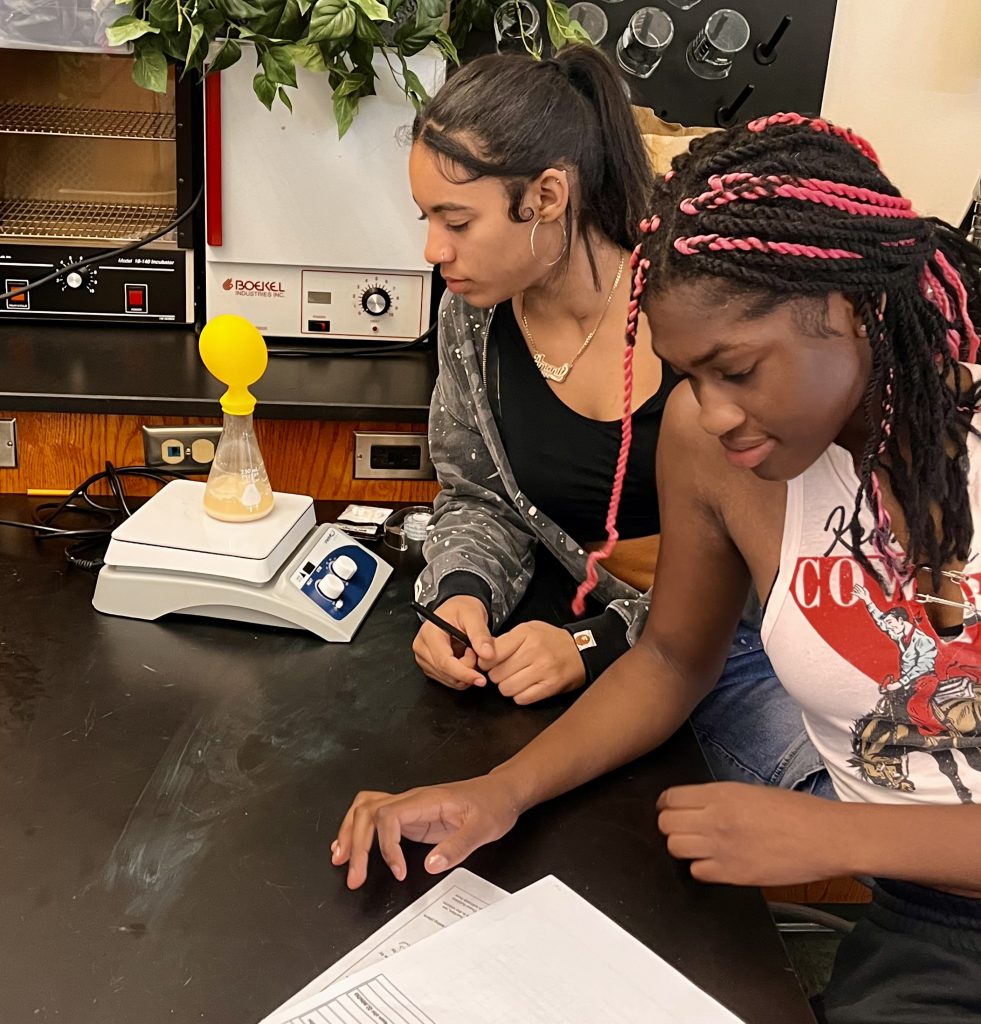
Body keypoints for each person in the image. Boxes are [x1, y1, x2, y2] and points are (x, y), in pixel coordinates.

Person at [333, 112, 981, 1022]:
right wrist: (497, 794)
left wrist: (834, 831)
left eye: (739, 370)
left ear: (853, 307)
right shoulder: (716, 449)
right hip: (925, 931)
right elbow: (674, 659)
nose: (712, 413)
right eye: (690, 377)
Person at [409, 45, 827, 794]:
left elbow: (770, 551)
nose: (433, 249)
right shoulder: (470, 322)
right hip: (630, 656)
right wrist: (461, 593)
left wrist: (595, 642)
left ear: (545, 196)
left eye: (456, 220)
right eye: (427, 218)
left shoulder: (693, 307)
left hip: (754, 646)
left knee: (876, 806)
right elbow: (478, 497)